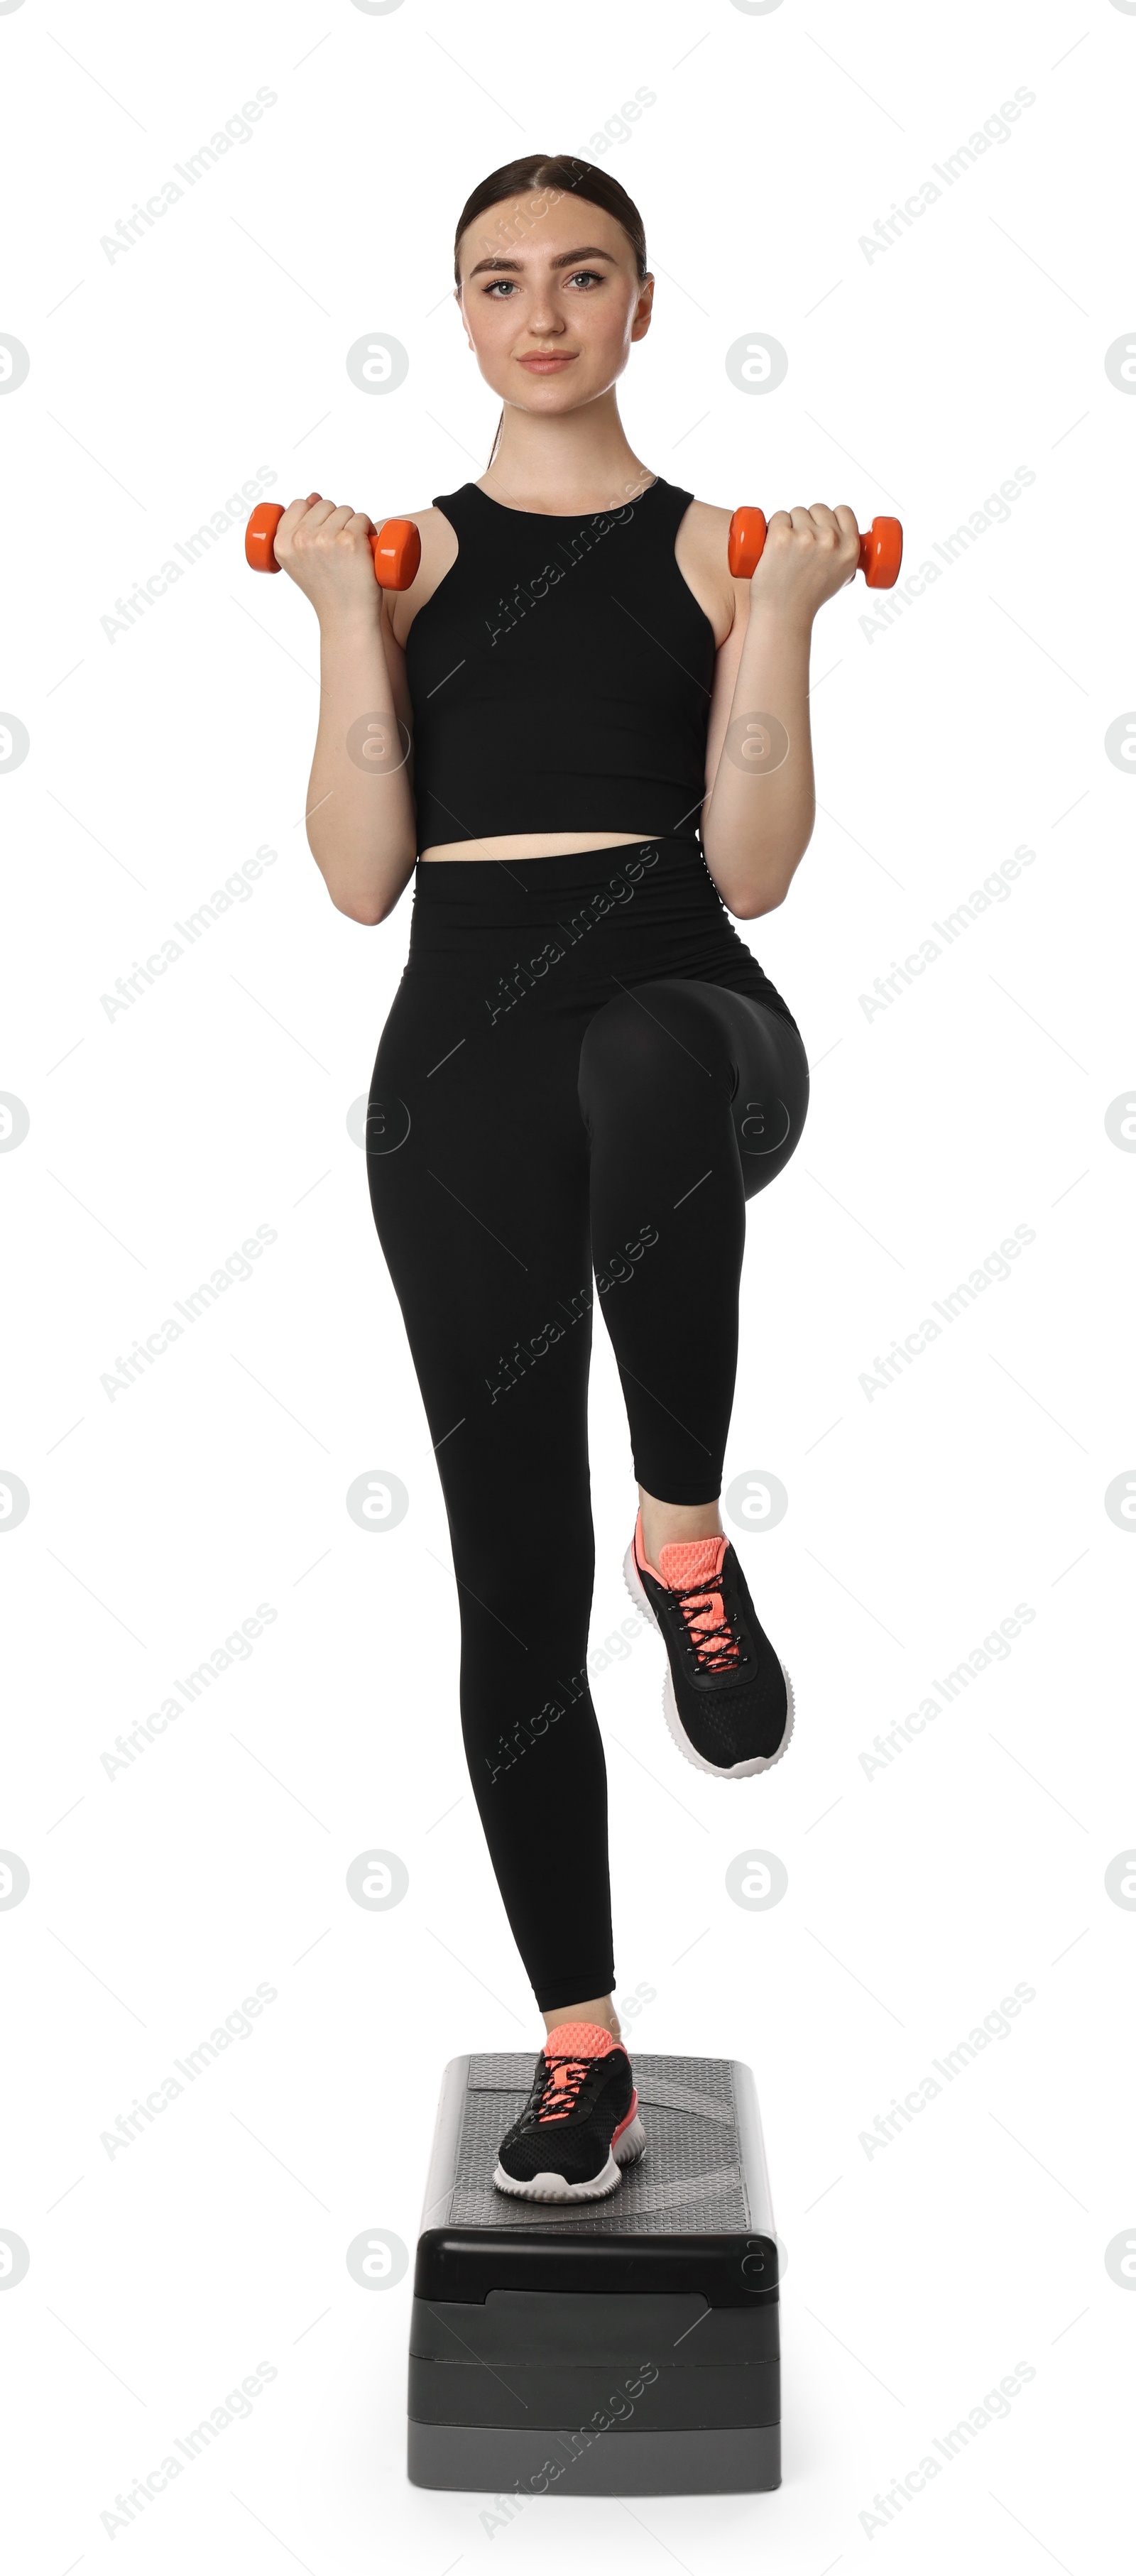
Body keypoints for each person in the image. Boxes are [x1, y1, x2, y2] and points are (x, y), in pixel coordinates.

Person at [271, 153, 864, 2203]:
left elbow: (761, 866)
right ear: (460, 318)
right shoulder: (405, 563)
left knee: (631, 1056)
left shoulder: (718, 550)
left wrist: (783, 609)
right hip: (459, 1069)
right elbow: (362, 883)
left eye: (582, 277)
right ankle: (580, 2047)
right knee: (508, 1576)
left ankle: (686, 1535)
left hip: (686, 1020)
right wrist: (347, 609)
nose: (542, 311)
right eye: (500, 281)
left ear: (639, 308)